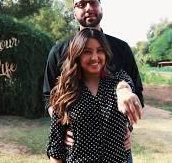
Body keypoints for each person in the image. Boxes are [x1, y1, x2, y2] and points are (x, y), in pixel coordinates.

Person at [43, 0, 144, 162]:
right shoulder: (58, 51)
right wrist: (63, 127)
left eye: (93, 2)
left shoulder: (121, 49)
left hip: (118, 151)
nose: (88, 8)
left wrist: (127, 127)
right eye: (81, 4)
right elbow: (48, 96)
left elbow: (136, 92)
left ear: (101, 7)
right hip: (77, 152)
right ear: (74, 13)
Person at [47, 28, 139, 162]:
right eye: (87, 52)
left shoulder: (117, 79)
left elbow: (125, 85)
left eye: (100, 50)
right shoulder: (65, 90)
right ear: (77, 54)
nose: (95, 57)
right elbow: (56, 148)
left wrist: (124, 92)